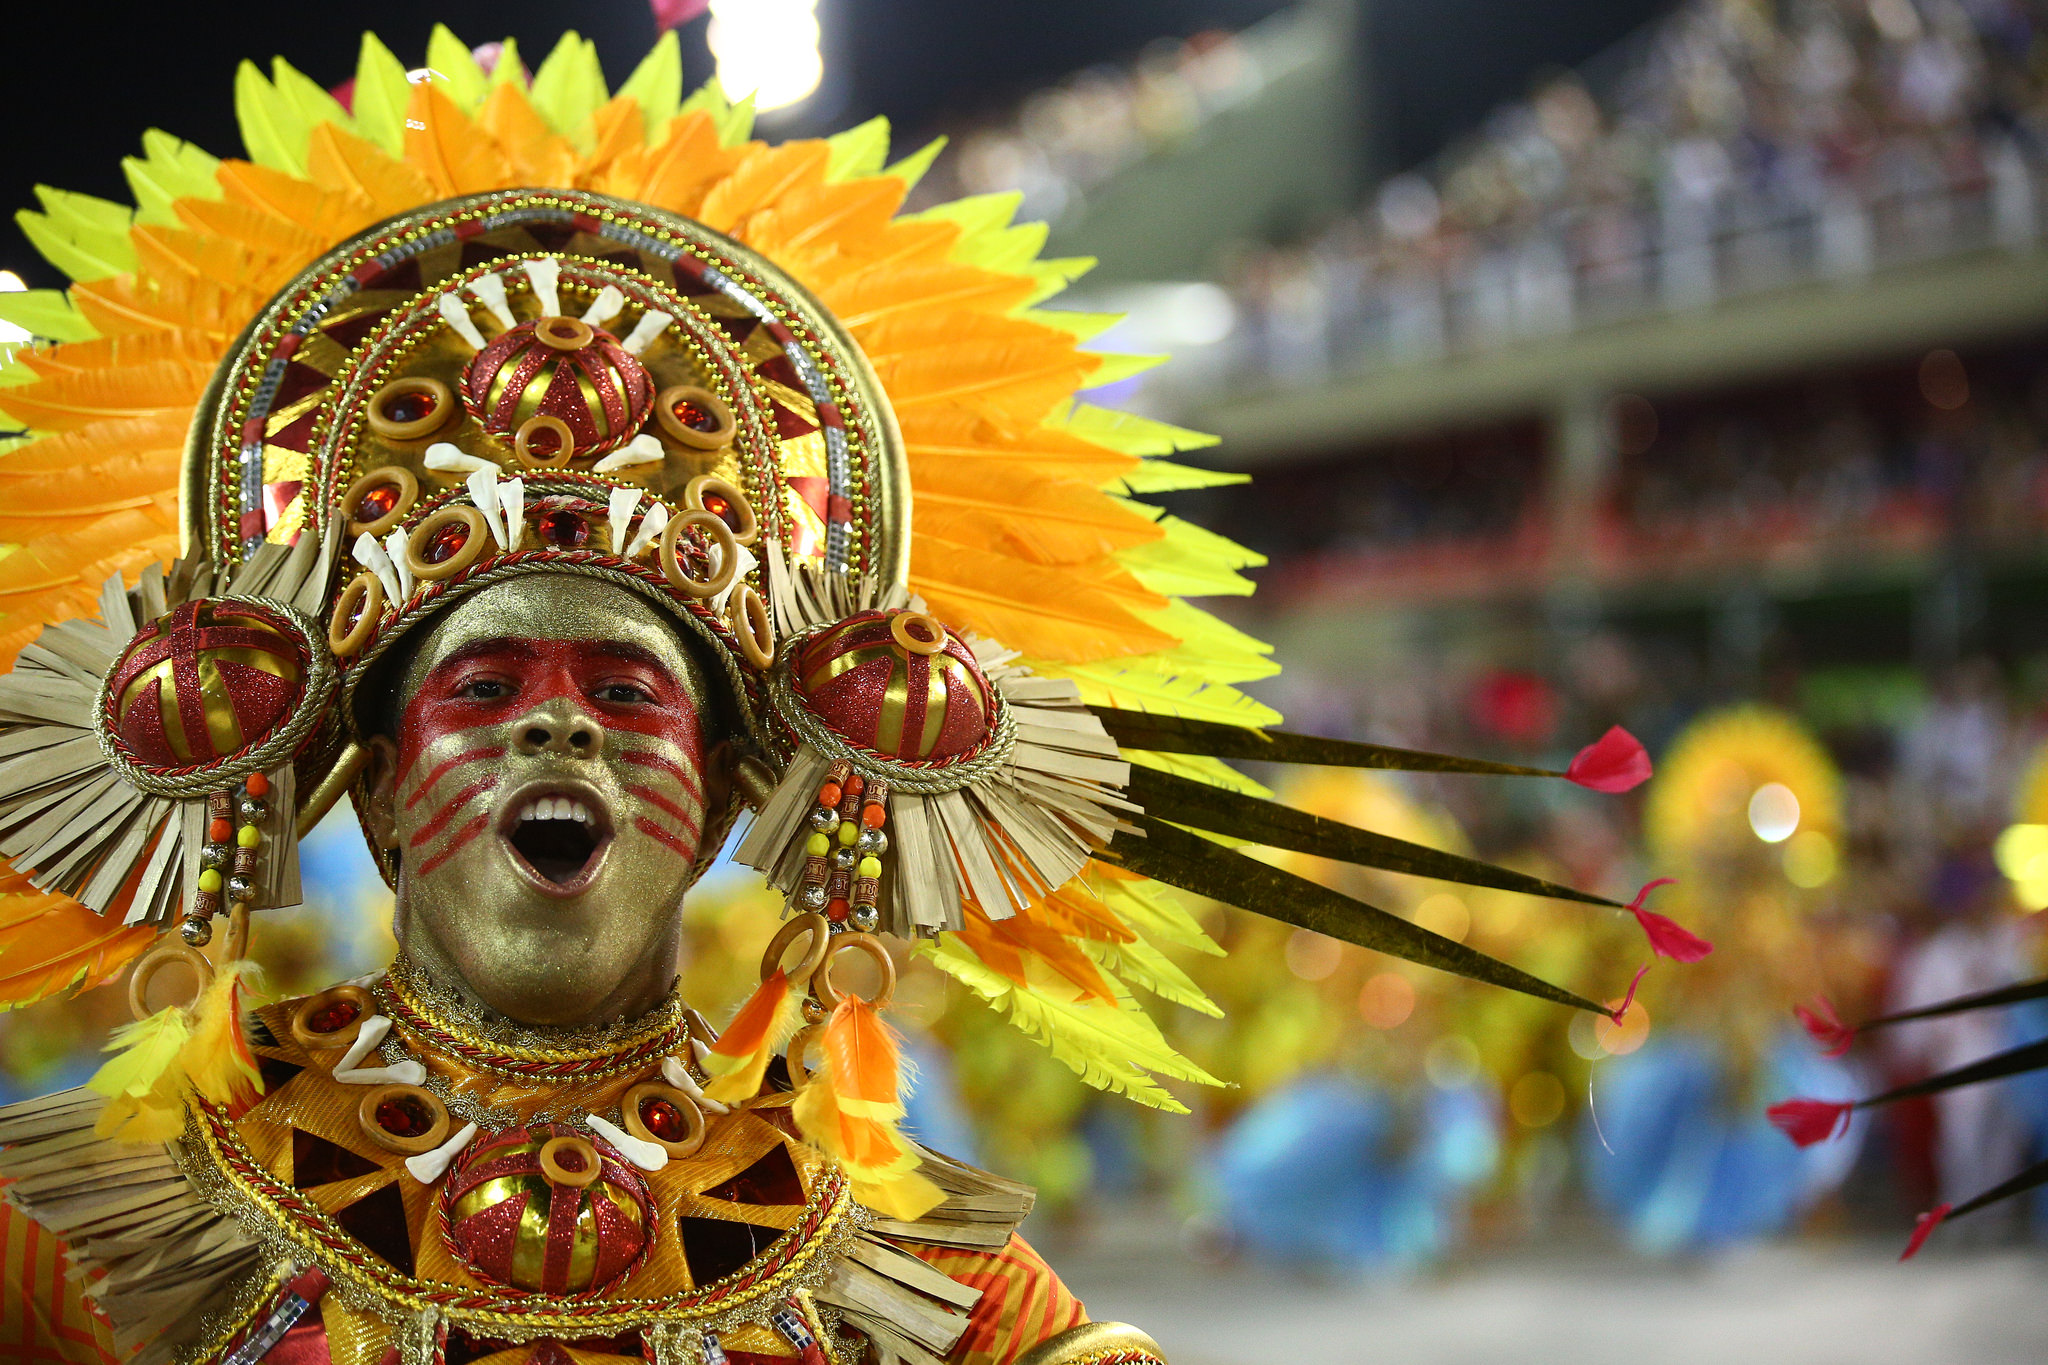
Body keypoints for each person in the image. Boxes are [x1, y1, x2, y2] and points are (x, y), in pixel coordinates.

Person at [0, 29, 1669, 1365]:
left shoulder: (877, 1250)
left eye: (628, 692)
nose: (554, 726)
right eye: (487, 679)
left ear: (733, 799)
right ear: (362, 788)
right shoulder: (121, 1210)